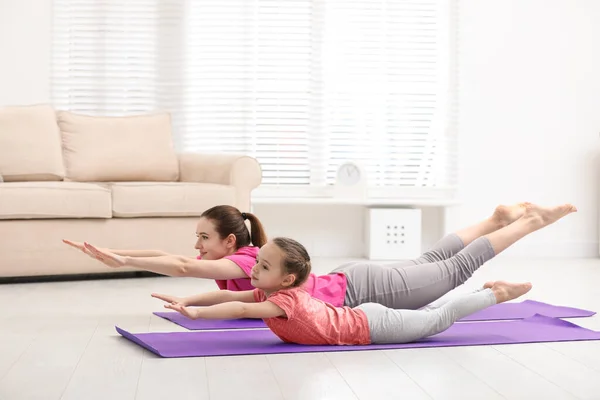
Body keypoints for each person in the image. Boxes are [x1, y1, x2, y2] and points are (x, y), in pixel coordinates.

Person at [94, 202, 574, 346]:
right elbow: (226, 298)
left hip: (357, 289)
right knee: (432, 264)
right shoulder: (257, 261)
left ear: (231, 244)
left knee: (453, 272)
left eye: (204, 239)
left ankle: (527, 223)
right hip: (349, 283)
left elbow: (186, 271)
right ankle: (493, 219)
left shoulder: (242, 264)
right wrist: (195, 305)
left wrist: (119, 258)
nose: (197, 249)